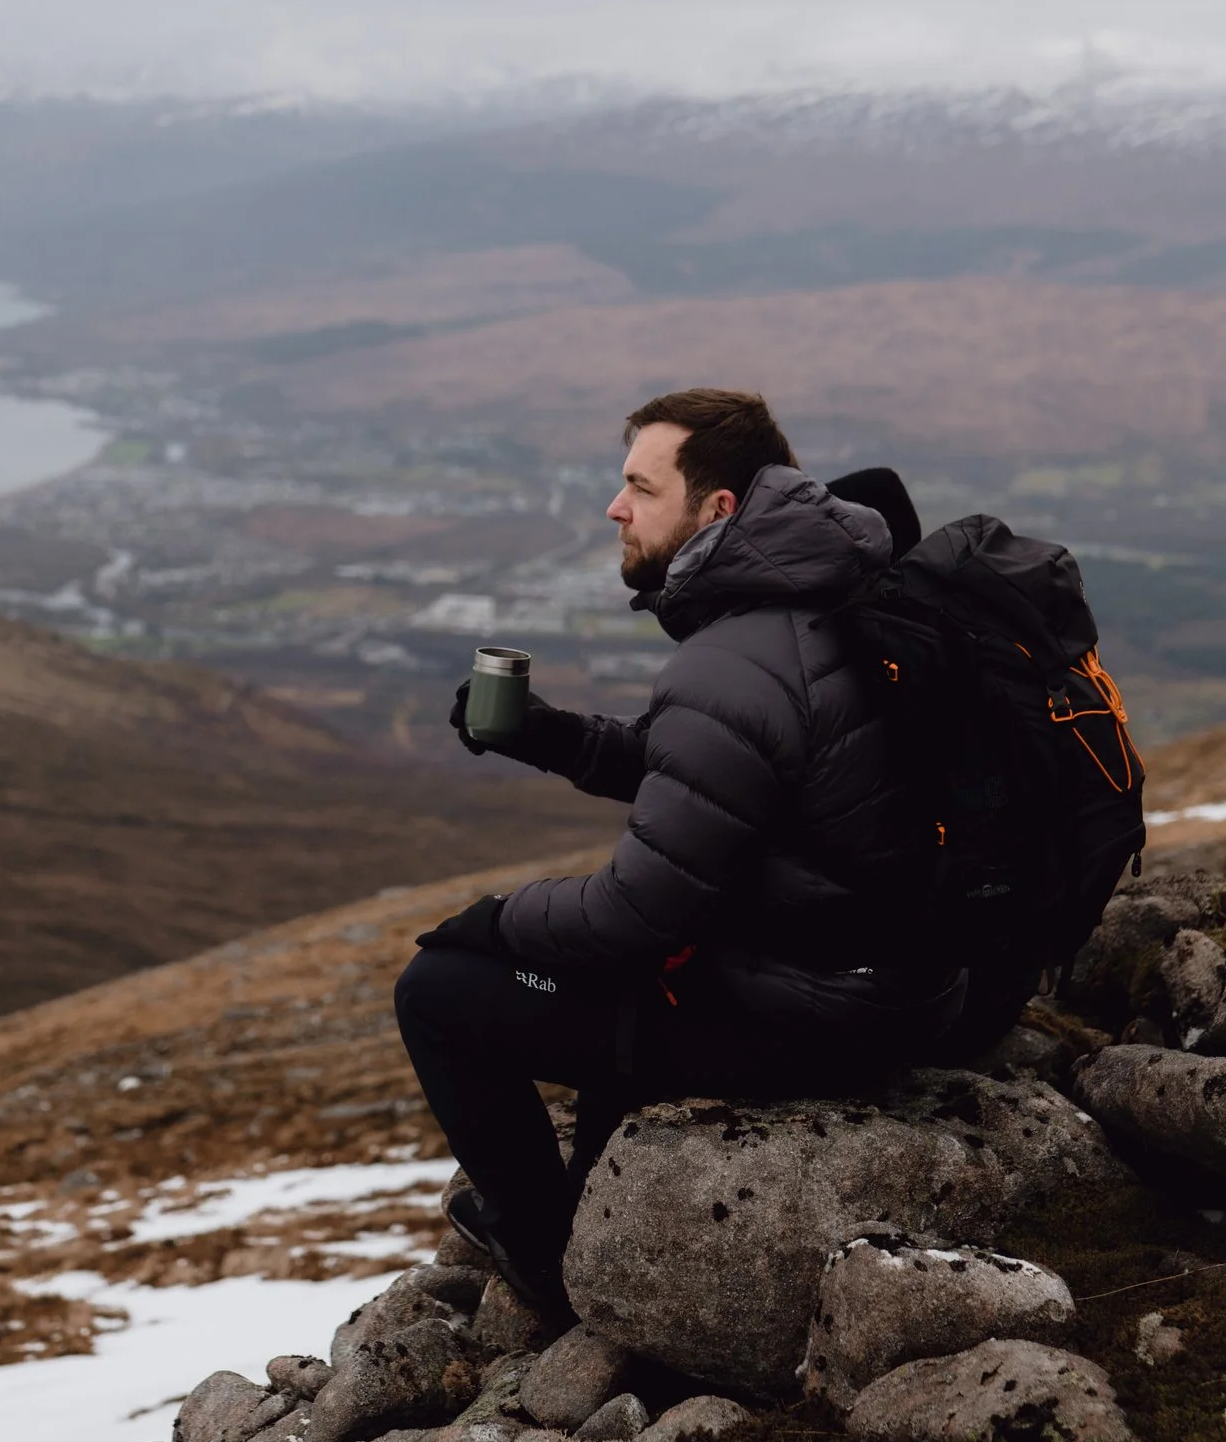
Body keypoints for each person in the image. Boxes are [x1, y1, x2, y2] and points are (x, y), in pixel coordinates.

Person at [394, 388, 963, 1315]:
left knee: (438, 993)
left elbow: (636, 912)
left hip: (813, 1016)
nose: (615, 509)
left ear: (718, 511)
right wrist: (547, 736)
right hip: (889, 979)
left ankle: (544, 1260)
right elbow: (718, 772)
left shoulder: (738, 654)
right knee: (610, 977)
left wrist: (499, 922)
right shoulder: (824, 599)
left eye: (639, 488)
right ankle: (589, 1203)